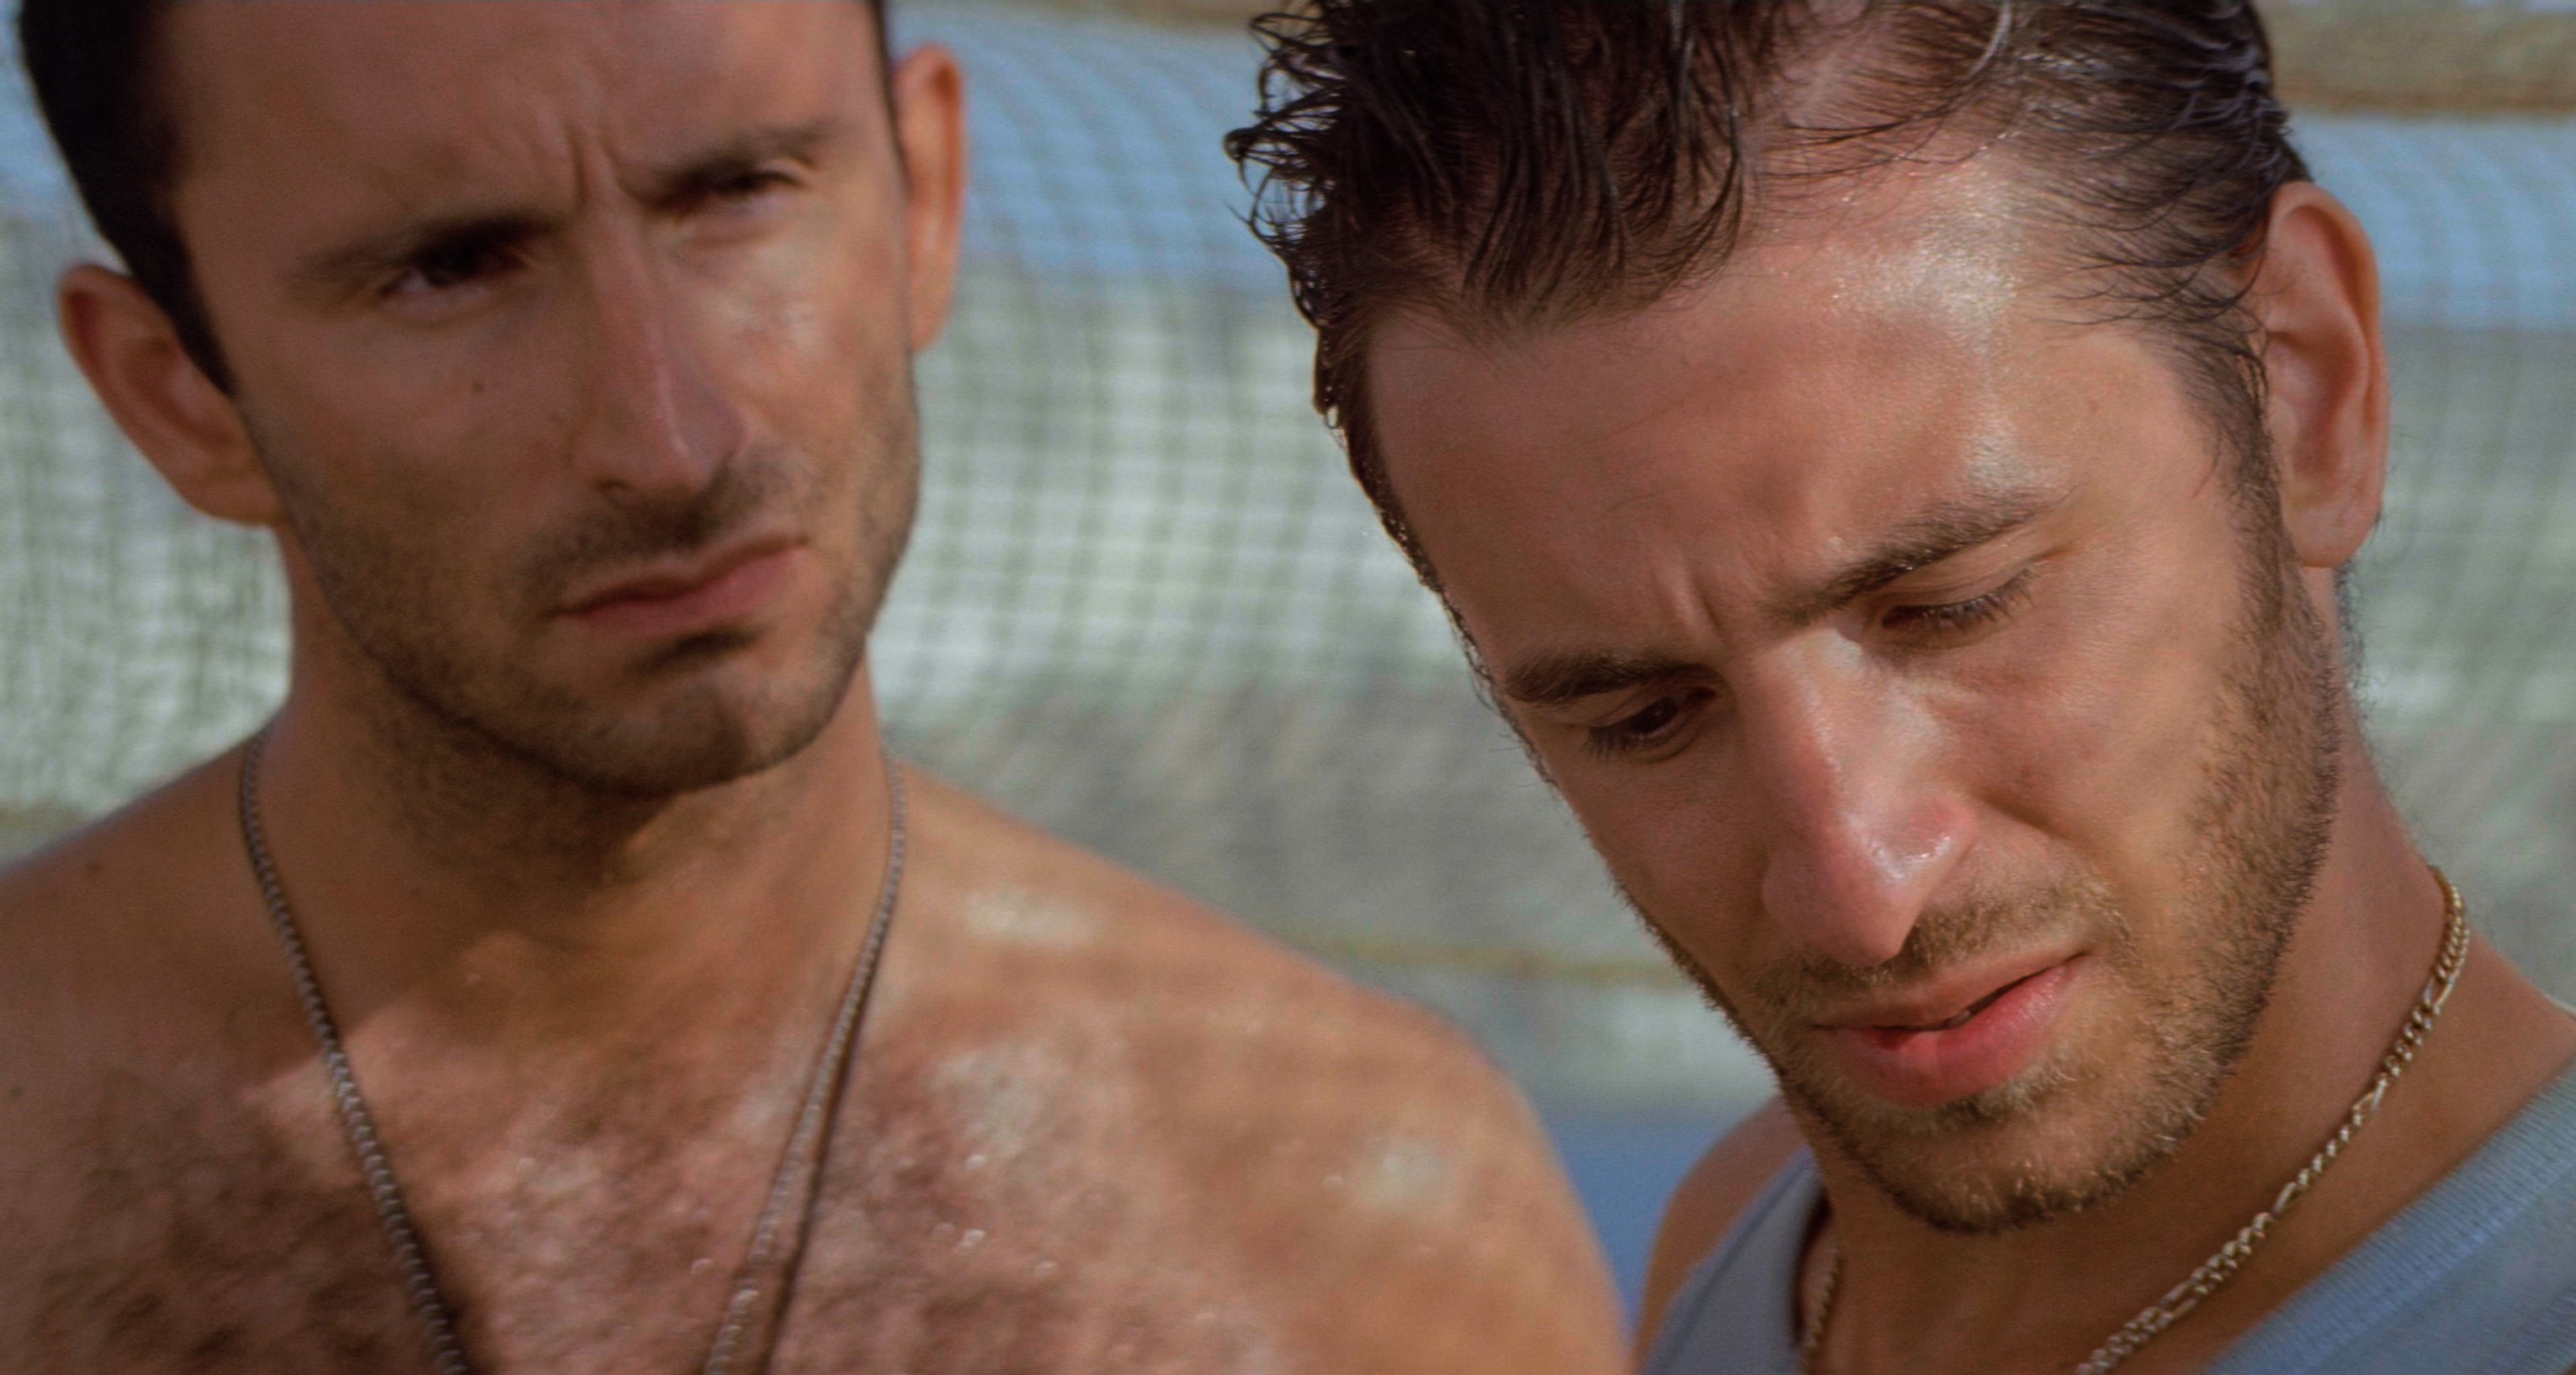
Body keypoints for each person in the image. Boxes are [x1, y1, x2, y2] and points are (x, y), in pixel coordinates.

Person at [1228, 3, 2576, 1372]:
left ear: (2306, 392)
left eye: (1950, 606)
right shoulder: (1761, 1238)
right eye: (1642, 716)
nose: (1856, 889)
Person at [0, 3, 1623, 1370]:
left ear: (926, 194)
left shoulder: (1360, 1218)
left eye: (737, 193)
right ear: (174, 392)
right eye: (450, 267)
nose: (671, 439)